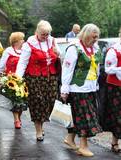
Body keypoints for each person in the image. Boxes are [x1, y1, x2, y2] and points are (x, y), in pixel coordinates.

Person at [60, 23, 102, 157]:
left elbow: (97, 68)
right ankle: (83, 146)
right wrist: (65, 89)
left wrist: (96, 84)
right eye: (93, 37)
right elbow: (67, 70)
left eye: (97, 37)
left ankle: (70, 139)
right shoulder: (74, 48)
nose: (95, 40)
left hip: (91, 87)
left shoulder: (95, 49)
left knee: (77, 116)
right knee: (85, 117)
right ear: (86, 35)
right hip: (77, 89)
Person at [15, 20, 61, 141]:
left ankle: (42, 123)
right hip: (35, 78)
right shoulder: (29, 44)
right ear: (37, 32)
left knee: (50, 101)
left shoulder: (52, 41)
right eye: (43, 34)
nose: (45, 37)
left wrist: (58, 52)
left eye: (47, 34)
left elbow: (59, 56)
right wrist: (17, 79)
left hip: (51, 77)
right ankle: (38, 129)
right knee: (37, 103)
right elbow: (22, 62)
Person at [0, 32, 27, 129]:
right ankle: (16, 119)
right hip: (11, 80)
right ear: (16, 41)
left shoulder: (25, 51)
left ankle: (19, 117)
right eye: (22, 39)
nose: (24, 41)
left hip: (23, 79)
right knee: (15, 99)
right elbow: (1, 66)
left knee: (22, 100)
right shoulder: (8, 51)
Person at [103, 27, 121, 153]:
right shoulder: (114, 50)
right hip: (116, 87)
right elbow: (108, 69)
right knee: (117, 115)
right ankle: (115, 142)